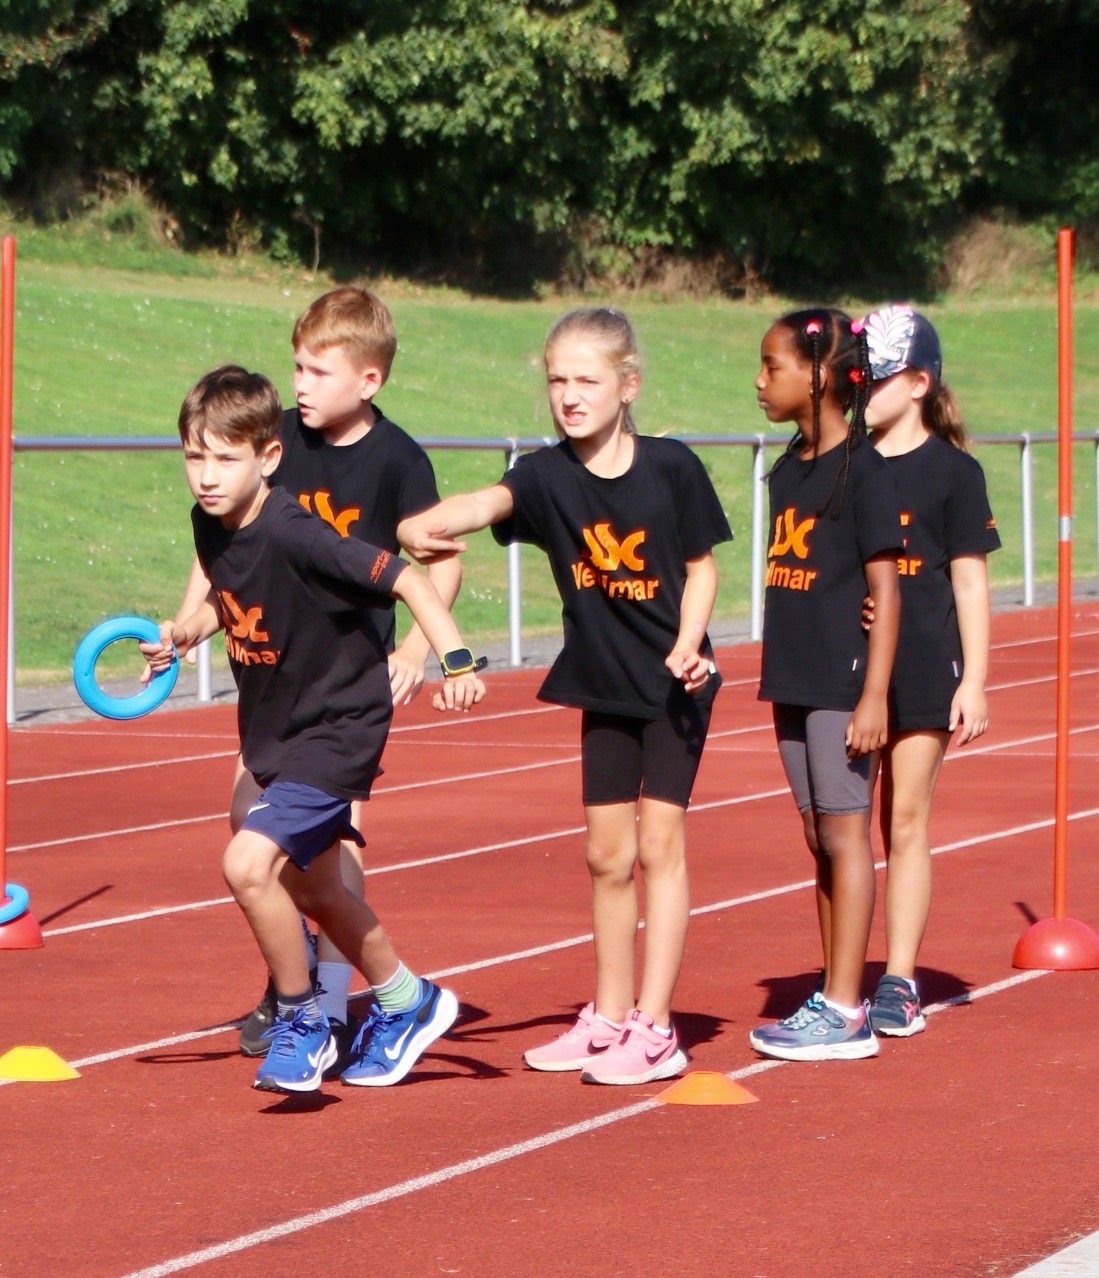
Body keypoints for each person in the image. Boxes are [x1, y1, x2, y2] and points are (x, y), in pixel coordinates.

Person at [398, 307, 732, 1086]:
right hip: (602, 682)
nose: (569, 395)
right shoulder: (545, 476)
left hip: (675, 684)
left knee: (658, 848)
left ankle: (656, 1027)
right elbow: (484, 504)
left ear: (627, 385)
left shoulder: (671, 466)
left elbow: (702, 567)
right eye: (556, 380)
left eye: (587, 380)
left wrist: (689, 642)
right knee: (605, 856)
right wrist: (427, 522)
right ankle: (608, 1016)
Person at [142, 365, 485, 1093]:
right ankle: (408, 999)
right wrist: (187, 630)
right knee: (319, 890)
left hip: (335, 727)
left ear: (268, 458)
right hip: (277, 727)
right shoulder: (210, 521)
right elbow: (230, 597)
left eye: (225, 458)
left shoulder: (297, 532)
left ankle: (303, 1017)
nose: (206, 475)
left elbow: (409, 578)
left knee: (248, 864)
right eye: (194, 456)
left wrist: (453, 660)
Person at [748, 307, 902, 1062]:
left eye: (771, 367)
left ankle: (846, 1008)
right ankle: (832, 989)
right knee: (818, 837)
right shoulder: (788, 468)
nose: (758, 381)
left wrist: (873, 696)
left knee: (845, 835)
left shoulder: (864, 471)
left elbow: (887, 589)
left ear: (817, 376)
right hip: (793, 676)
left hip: (842, 682)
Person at [860, 304, 1000, 1035]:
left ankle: (898, 978)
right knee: (841, 827)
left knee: (903, 821)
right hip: (849, 670)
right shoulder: (843, 465)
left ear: (917, 382)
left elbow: (970, 581)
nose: (861, 390)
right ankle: (839, 973)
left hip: (921, 666)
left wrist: (973, 679)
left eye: (876, 378)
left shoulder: (954, 473)